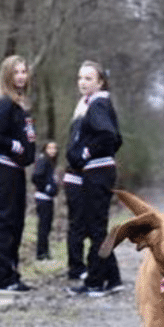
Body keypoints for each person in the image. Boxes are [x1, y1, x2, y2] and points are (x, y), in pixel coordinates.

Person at [66, 60, 124, 297]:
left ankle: (95, 283)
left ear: (100, 82)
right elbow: (117, 138)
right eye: (80, 78)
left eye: (88, 78)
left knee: (96, 229)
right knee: (96, 226)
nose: (82, 82)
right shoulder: (92, 104)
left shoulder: (98, 104)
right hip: (98, 170)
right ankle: (112, 279)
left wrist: (86, 153)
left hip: (98, 171)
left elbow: (109, 135)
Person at [0, 55, 37, 292]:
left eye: (23, 72)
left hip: (16, 172)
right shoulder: (4, 103)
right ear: (7, 76)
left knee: (17, 223)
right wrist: (15, 145)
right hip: (4, 170)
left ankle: (13, 275)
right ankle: (3, 278)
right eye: (16, 72)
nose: (21, 76)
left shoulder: (20, 104)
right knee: (4, 222)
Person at [30, 140, 60, 261]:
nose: (52, 151)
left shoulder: (50, 162)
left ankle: (45, 252)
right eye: (50, 148)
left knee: (47, 226)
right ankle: (41, 253)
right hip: (43, 198)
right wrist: (46, 188)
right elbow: (36, 176)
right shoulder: (43, 160)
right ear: (45, 149)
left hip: (48, 198)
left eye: (54, 148)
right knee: (43, 226)